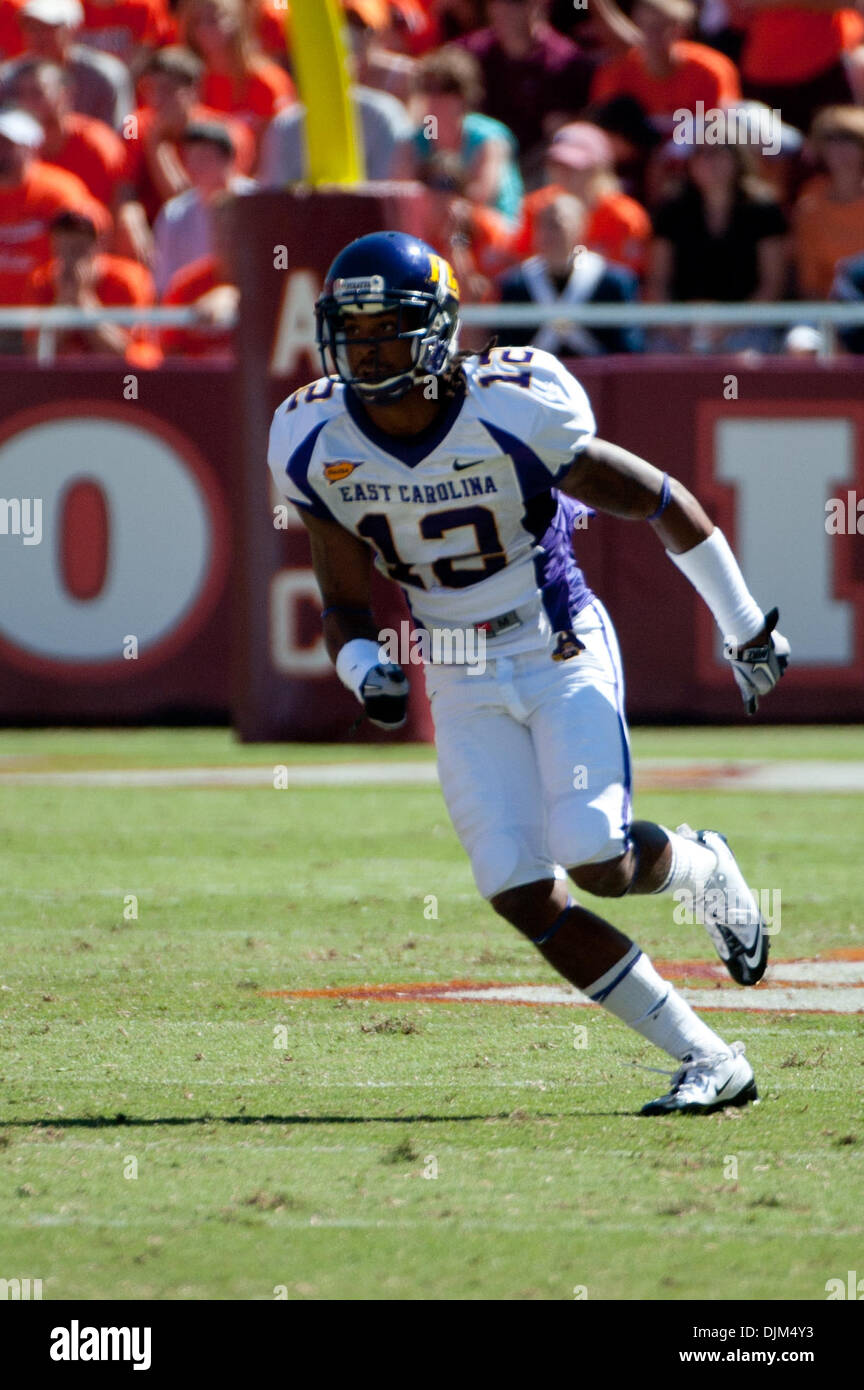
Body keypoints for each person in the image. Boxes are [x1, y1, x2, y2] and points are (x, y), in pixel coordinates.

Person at [268, 229, 791, 1116]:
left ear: (435, 332)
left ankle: (701, 867)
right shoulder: (313, 436)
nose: (364, 351)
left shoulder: (514, 405)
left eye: (385, 331)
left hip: (555, 643)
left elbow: (661, 500)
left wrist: (745, 629)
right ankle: (709, 1059)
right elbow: (343, 598)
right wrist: (364, 670)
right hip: (457, 668)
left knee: (595, 856)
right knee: (514, 883)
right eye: (350, 333)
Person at [646, 139, 788, 352]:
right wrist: (678, 332)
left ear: (739, 159)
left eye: (717, 153)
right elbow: (657, 281)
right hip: (680, 325)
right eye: (700, 153)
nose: (708, 161)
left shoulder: (763, 210)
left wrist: (728, 326)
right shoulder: (672, 210)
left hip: (749, 323)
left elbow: (772, 284)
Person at [499, 192, 643, 355]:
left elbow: (628, 348)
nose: (548, 233)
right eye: (542, 224)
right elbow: (505, 348)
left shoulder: (613, 282)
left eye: (556, 224)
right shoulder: (516, 284)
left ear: (582, 227)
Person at [458, 0, 594, 168]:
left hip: (539, 169)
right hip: (480, 160)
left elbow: (562, 135)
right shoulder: (471, 53)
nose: (502, 9)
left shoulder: (565, 62)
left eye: (515, 3)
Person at [0, 105, 110, 310]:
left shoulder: (59, 191)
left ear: (30, 147)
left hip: (43, 312)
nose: (1, 151)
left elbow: (91, 238)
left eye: (7, 144)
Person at [511, 121, 651, 277]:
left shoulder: (625, 216)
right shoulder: (537, 207)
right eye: (557, 164)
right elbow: (523, 266)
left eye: (573, 166)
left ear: (598, 169)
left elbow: (630, 277)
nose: (563, 173)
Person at [409, 46, 523, 224]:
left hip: (492, 230)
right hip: (439, 226)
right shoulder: (415, 141)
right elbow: (402, 193)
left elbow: (483, 195)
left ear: (463, 95)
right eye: (427, 88)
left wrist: (437, 199)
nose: (433, 96)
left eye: (444, 89)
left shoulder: (489, 138)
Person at [590, 0, 741, 135]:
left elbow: (722, 128)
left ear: (681, 30)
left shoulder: (710, 68)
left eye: (660, 27)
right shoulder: (617, 70)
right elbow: (601, 127)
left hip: (696, 151)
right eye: (645, 27)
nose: (651, 35)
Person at [23, 206, 154, 356]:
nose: (70, 254)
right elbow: (36, 355)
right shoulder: (41, 280)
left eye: (79, 247)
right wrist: (63, 302)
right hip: (63, 377)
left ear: (99, 245)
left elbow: (125, 355)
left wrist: (84, 300)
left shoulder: (127, 278)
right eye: (63, 245)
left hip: (119, 378)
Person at [151, 119, 253, 296]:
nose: (195, 167)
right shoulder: (174, 214)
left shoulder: (260, 204)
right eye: (191, 159)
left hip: (252, 299)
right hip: (194, 310)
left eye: (204, 159)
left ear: (229, 159)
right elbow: (165, 285)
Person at [5, 0, 133, 130]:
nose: (37, 36)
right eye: (31, 27)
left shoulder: (107, 75)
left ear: (73, 29)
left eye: (47, 28)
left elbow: (124, 130)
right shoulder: (8, 78)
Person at [794, 105, 864, 301]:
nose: (841, 150)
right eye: (832, 141)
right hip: (826, 310)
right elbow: (808, 279)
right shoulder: (810, 199)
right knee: (800, 334)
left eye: (850, 140)